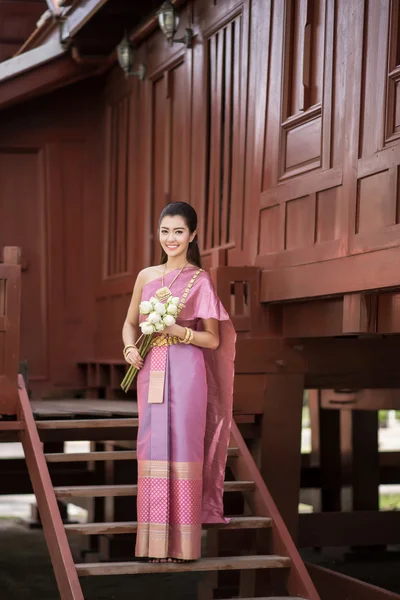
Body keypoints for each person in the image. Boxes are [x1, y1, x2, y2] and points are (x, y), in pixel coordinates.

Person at [122, 201, 236, 563]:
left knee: (185, 447)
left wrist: (176, 331)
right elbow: (129, 323)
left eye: (179, 232)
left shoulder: (199, 279)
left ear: (193, 235)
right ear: (158, 234)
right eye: (165, 231)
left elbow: (213, 340)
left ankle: (183, 547)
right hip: (150, 368)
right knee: (152, 447)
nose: (171, 238)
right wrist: (128, 348)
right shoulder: (145, 276)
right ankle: (154, 545)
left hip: (187, 371)